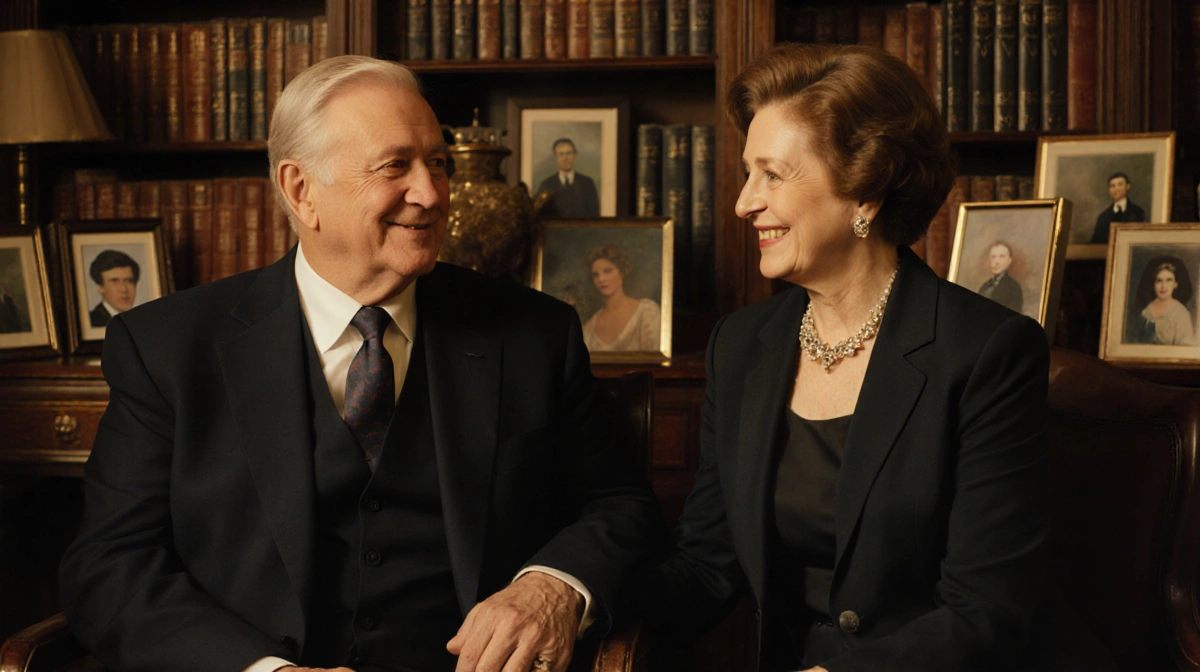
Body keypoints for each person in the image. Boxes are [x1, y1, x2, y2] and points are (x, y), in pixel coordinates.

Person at [59, 56, 659, 672]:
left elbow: (620, 505)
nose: (431, 194)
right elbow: (109, 564)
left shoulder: (534, 333)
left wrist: (552, 587)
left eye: (438, 163)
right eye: (395, 166)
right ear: (301, 190)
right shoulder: (166, 348)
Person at [633, 43, 1114, 672]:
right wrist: (571, 595)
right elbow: (706, 563)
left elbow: (985, 612)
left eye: (771, 175)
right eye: (748, 174)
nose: (744, 202)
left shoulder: (988, 351)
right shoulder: (741, 345)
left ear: (865, 190)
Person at [581, 246, 661, 352]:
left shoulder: (646, 311)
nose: (601, 279)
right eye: (595, 275)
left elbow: (654, 357)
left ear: (622, 272)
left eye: (607, 271)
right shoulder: (590, 327)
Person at [1134, 259, 1195, 345]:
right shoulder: (1145, 312)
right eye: (1159, 281)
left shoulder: (1181, 314)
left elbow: (1184, 348)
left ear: (1175, 284)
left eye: (1168, 280)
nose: (1163, 286)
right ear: (1154, 284)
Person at [536, 139, 600, 217]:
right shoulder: (546, 185)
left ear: (575, 155)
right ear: (555, 157)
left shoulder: (587, 184)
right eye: (561, 154)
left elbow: (595, 216)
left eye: (568, 153)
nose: (565, 158)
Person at [87, 249, 140, 327]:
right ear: (101, 287)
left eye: (129, 281)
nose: (123, 289)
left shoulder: (142, 319)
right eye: (114, 281)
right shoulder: (91, 322)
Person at [1089, 172, 1146, 244]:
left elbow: (1142, 241)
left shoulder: (1138, 212)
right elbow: (1095, 244)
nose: (1116, 189)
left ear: (1128, 186)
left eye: (1120, 184)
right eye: (1112, 186)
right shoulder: (1103, 217)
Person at [977, 241, 1023, 313]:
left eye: (1002, 257)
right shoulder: (984, 287)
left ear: (1009, 261)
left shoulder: (1014, 287)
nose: (996, 262)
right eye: (993, 257)